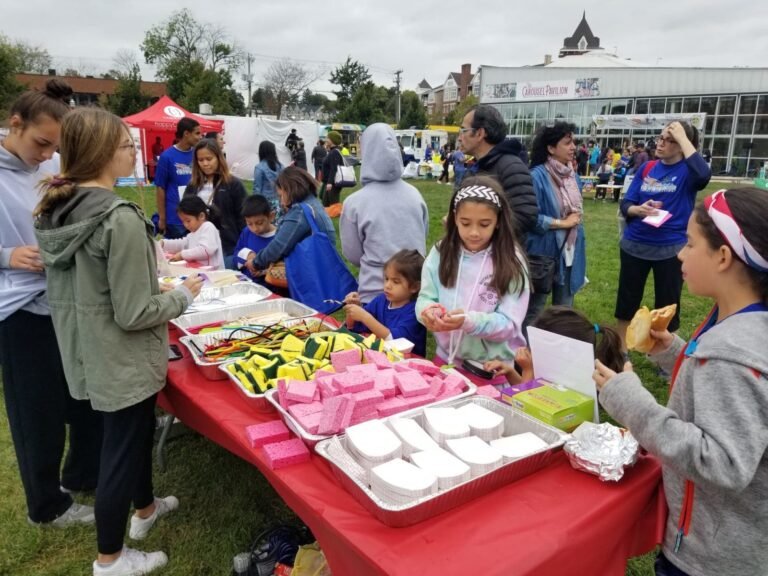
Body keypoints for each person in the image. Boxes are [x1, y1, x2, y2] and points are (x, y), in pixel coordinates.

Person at [34, 107, 203, 575]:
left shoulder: (59, 207)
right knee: (121, 451)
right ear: (104, 153)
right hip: (121, 356)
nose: (134, 153)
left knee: (132, 436)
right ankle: (110, 559)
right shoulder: (118, 217)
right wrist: (182, 297)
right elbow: (134, 312)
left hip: (87, 350)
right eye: (128, 146)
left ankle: (145, 509)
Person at [593, 187, 768, 576]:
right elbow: (717, 383)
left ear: (724, 257)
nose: (679, 255)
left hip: (710, 558)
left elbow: (722, 463)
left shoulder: (731, 352)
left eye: (689, 244)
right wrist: (675, 350)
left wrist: (630, 401)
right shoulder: (743, 329)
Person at [0, 79, 102, 528]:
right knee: (36, 412)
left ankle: (82, 475)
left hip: (64, 301)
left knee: (83, 396)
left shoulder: (52, 166)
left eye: (54, 147)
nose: (46, 155)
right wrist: (5, 256)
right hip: (19, 311)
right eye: (41, 143)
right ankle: (47, 507)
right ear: (14, 123)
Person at [416, 176, 529, 376]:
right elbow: (426, 297)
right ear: (454, 218)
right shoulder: (441, 253)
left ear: (498, 222)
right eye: (465, 223)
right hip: (445, 360)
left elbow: (509, 324)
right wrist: (428, 311)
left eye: (484, 224)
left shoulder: (511, 261)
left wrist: (468, 321)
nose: (474, 232)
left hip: (492, 369)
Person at [615, 121, 711, 349]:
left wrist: (685, 139)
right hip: (635, 244)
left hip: (671, 248)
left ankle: (663, 354)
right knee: (627, 300)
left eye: (670, 140)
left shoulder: (688, 171)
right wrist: (636, 209)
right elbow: (627, 201)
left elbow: (703, 176)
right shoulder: (647, 168)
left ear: (682, 146)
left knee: (667, 303)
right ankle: (620, 350)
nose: (661, 143)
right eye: (660, 138)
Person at [340, 123, 429, 304]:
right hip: (412, 292)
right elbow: (422, 234)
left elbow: (353, 254)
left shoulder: (355, 203)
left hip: (375, 293)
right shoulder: (415, 195)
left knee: (372, 334)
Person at [525, 122, 586, 324]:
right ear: (551, 148)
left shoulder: (572, 177)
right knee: (534, 310)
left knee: (564, 312)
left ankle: (556, 351)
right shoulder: (536, 176)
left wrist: (573, 221)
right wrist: (562, 223)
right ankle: (526, 352)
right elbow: (531, 218)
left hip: (569, 252)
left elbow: (576, 213)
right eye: (567, 143)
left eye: (574, 142)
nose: (573, 147)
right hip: (543, 254)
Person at [457, 105, 537, 240]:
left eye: (463, 130)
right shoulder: (477, 167)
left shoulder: (511, 166)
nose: (459, 138)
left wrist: (483, 231)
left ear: (480, 133)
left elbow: (526, 216)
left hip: (500, 256)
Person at [487, 306, 624, 385]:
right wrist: (510, 372)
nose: (530, 350)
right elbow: (527, 389)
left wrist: (528, 371)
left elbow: (523, 407)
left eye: (536, 347)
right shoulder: (558, 371)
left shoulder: (569, 384)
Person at [251, 166, 336, 273]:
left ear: (289, 189)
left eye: (281, 195)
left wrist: (255, 263)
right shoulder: (313, 203)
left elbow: (278, 247)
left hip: (312, 272)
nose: (281, 202)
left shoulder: (300, 211)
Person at [344, 249, 428, 357]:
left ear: (415, 287)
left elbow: (394, 341)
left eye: (396, 281)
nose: (387, 285)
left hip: (406, 365)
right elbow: (353, 328)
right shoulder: (381, 300)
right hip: (380, 358)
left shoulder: (415, 312)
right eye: (386, 278)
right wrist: (353, 309)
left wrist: (365, 317)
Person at [183, 138, 247, 266]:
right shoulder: (193, 186)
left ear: (218, 158)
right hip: (199, 247)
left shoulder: (233, 184)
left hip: (227, 247)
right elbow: (185, 214)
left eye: (209, 159)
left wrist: (243, 247)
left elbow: (243, 218)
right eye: (201, 160)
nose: (205, 164)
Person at [155, 117, 201, 239]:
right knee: (176, 255)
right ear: (186, 133)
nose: (200, 137)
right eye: (197, 133)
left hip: (195, 216)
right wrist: (162, 217)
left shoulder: (197, 154)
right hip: (175, 218)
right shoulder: (167, 157)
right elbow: (160, 188)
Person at [162, 196, 225, 270]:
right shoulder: (193, 234)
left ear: (201, 216)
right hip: (202, 274)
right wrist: (164, 243)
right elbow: (182, 244)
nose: (185, 225)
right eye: (183, 221)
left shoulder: (208, 227)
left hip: (214, 276)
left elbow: (206, 250)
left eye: (188, 221)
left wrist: (182, 255)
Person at [233, 194, 277, 284]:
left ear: (271, 216)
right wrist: (247, 255)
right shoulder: (247, 232)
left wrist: (264, 271)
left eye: (259, 223)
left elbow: (282, 266)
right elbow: (235, 256)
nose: (255, 228)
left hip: (270, 287)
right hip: (247, 283)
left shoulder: (279, 238)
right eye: (249, 224)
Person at [253, 140, 284, 212]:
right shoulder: (281, 166)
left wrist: (255, 204)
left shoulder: (259, 167)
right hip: (280, 202)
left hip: (265, 203)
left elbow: (257, 189)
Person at [320, 130, 345, 208]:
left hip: (333, 183)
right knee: (325, 203)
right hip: (329, 182)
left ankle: (337, 216)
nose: (326, 140)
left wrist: (330, 183)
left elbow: (334, 168)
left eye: (328, 138)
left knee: (333, 205)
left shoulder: (335, 152)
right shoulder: (332, 151)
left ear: (332, 140)